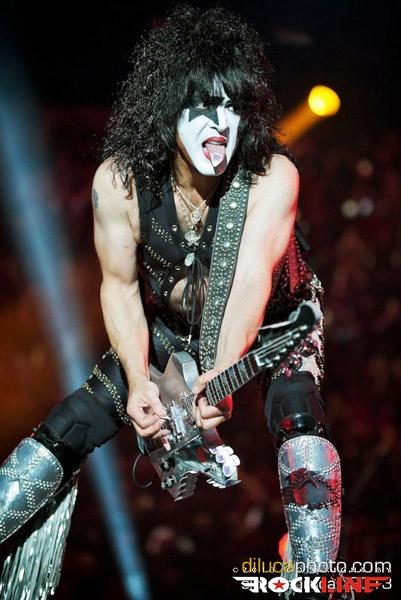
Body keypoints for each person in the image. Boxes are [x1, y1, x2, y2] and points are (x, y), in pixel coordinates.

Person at [0, 5, 343, 599]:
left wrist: (221, 377)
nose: (221, 123)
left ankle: (312, 580)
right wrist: (138, 379)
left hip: (273, 322)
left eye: (233, 107)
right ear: (167, 108)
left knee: (299, 420)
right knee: (72, 423)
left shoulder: (270, 177)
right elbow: (119, 287)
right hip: (170, 326)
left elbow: (249, 287)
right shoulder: (119, 182)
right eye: (204, 106)